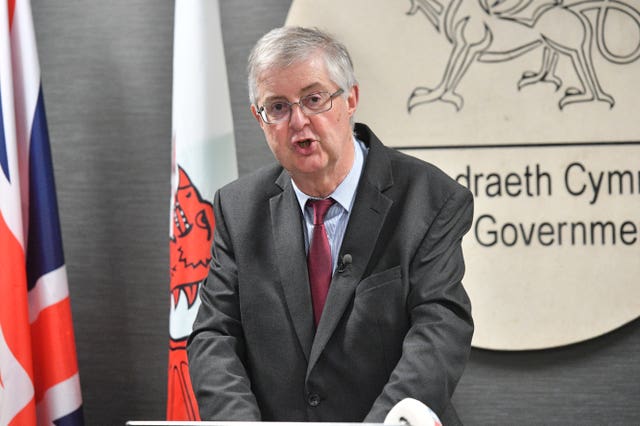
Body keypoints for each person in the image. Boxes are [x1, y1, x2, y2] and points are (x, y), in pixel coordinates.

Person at [187, 26, 474, 425]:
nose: (298, 121)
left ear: (351, 98)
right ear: (260, 118)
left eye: (314, 99)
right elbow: (214, 335)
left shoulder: (428, 199)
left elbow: (439, 327)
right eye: (278, 107)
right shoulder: (238, 209)